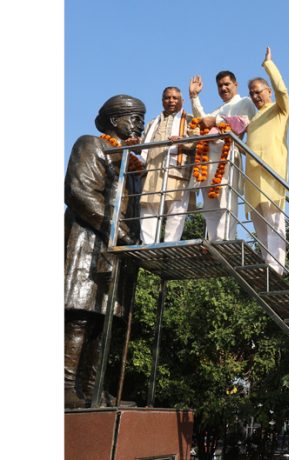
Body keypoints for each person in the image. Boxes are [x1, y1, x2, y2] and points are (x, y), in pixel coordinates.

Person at [65, 95, 145, 408]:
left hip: (115, 250)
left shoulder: (134, 162)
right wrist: (119, 230)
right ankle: (64, 387)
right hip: (88, 243)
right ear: (114, 121)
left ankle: (92, 390)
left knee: (103, 323)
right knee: (81, 318)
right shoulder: (92, 145)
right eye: (135, 117)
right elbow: (80, 193)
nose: (139, 124)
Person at [189, 69, 256, 240]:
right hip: (208, 157)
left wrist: (217, 121)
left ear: (235, 84)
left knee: (225, 201)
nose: (223, 88)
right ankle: (213, 239)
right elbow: (204, 121)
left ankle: (225, 239)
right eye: (220, 86)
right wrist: (194, 97)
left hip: (227, 156)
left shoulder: (245, 102)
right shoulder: (219, 108)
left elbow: (242, 124)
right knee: (209, 204)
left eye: (227, 84)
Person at [244, 47, 289, 275]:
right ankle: (267, 264)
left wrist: (269, 65)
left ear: (268, 91)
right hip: (253, 177)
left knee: (275, 223)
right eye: (252, 93)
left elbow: (283, 90)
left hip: (272, 174)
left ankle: (277, 268)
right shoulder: (252, 120)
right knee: (259, 225)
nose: (255, 96)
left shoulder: (279, 110)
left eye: (259, 91)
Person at [139, 87, 194, 243]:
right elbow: (142, 146)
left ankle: (171, 244)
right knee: (149, 207)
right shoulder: (153, 123)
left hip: (178, 171)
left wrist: (183, 142)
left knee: (176, 210)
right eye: (167, 98)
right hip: (152, 171)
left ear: (182, 101)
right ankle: (148, 244)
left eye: (175, 98)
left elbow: (198, 142)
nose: (171, 101)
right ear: (162, 100)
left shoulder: (189, 120)